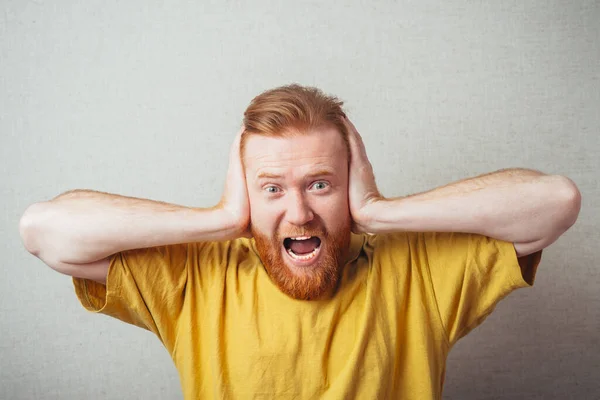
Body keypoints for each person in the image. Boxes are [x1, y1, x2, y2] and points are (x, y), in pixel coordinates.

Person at [19, 84, 581, 399]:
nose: (299, 212)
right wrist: (218, 221)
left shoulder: (419, 272)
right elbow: (43, 231)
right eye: (271, 188)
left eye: (320, 184)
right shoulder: (198, 277)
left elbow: (555, 201)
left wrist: (378, 212)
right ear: (245, 194)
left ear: (349, 185)